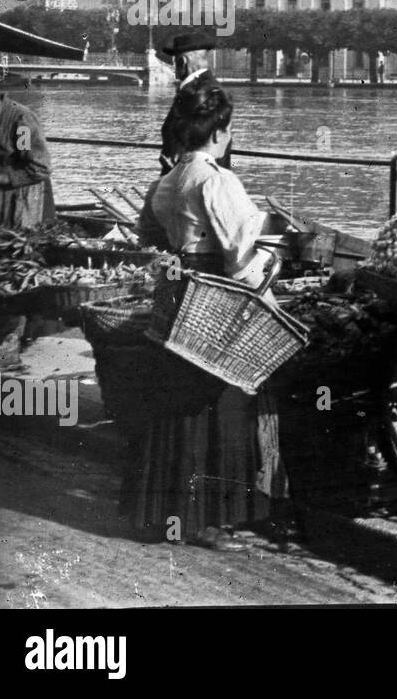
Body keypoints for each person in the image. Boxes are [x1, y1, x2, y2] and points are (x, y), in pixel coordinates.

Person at [127, 82, 283, 550]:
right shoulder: (216, 180)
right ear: (219, 132)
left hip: (178, 299)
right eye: (228, 129)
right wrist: (272, 276)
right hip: (215, 298)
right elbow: (241, 255)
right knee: (220, 405)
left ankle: (166, 514)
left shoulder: (168, 180)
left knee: (176, 404)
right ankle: (207, 521)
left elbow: (148, 237)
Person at [0, 71, 55, 373]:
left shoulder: (20, 122)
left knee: (10, 268)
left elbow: (38, 166)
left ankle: (6, 353)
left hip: (19, 201)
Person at [159, 33, 231, 172]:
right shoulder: (210, 89)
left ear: (182, 62)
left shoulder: (202, 92)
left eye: (175, 61)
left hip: (193, 181)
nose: (174, 67)